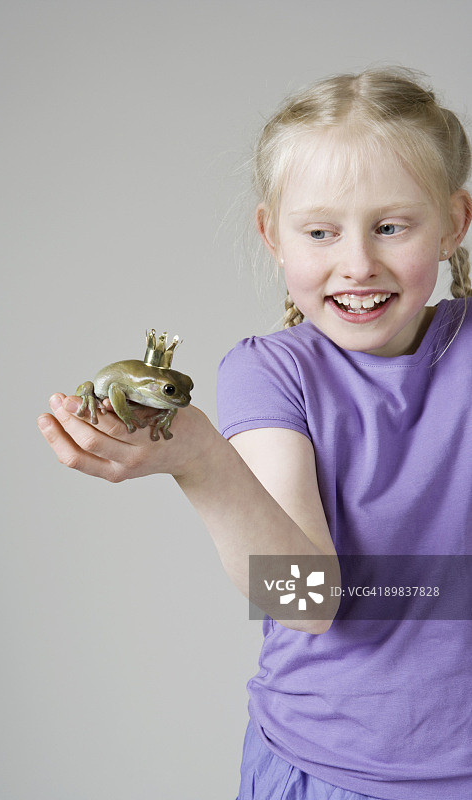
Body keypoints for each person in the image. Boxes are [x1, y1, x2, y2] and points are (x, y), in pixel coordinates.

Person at [37, 66, 472, 799]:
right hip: (328, 775)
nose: (357, 263)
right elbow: (305, 603)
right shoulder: (271, 375)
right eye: (320, 232)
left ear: (453, 224)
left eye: (391, 226)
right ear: (273, 234)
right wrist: (203, 461)